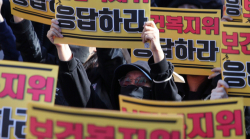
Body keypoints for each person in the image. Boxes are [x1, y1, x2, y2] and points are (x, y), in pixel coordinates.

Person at [48, 18, 181, 109]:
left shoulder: (164, 123)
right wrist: (62, 46)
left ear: (152, 88)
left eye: (141, 80)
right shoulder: (107, 119)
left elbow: (167, 98)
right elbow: (80, 91)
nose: (131, 84)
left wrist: (157, 50)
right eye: (126, 81)